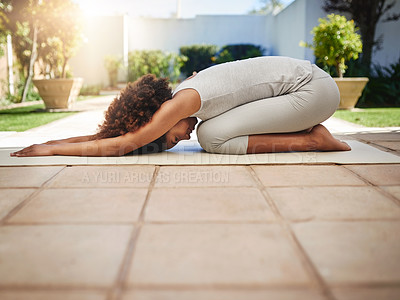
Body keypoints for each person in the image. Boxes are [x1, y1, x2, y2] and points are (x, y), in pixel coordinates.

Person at [10, 56, 350, 157]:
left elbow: (121, 143)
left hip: (313, 90)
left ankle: (312, 141)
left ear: (153, 116)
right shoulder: (189, 94)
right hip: (308, 87)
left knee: (212, 138)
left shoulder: (181, 102)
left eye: (170, 138)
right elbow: (111, 134)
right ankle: (308, 132)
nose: (181, 137)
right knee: (212, 132)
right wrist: (59, 143)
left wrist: (50, 148)